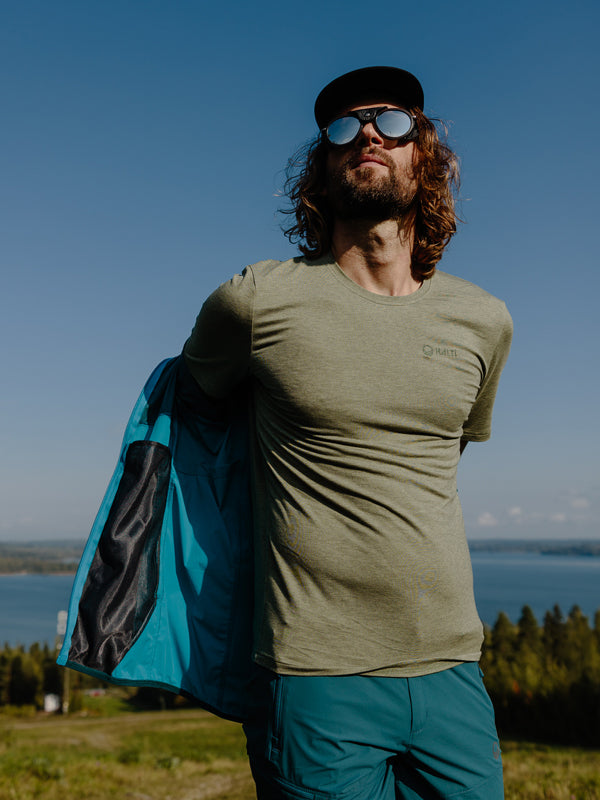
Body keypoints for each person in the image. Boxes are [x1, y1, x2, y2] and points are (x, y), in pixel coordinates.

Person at [183, 66, 512, 800]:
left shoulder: (485, 321)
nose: (367, 133)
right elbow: (187, 421)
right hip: (314, 677)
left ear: (423, 155)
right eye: (343, 127)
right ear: (322, 169)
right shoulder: (257, 302)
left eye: (392, 122)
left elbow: (437, 457)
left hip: (453, 669)